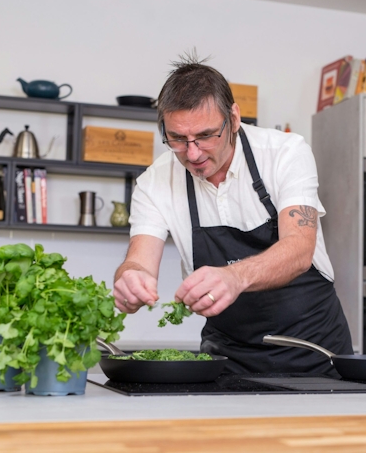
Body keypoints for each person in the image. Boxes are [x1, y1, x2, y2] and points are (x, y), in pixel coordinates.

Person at [113, 53, 353, 376]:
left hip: (314, 354)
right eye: (178, 139)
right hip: (227, 363)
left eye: (206, 135)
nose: (193, 153)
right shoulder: (155, 182)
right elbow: (138, 261)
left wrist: (235, 277)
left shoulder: (286, 153)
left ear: (234, 118)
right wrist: (129, 280)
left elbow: (299, 249)